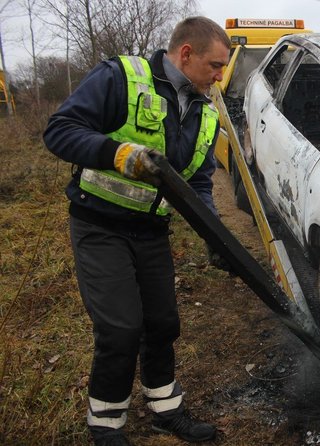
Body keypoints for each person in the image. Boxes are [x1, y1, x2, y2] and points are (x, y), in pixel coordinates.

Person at [43, 16, 231, 445]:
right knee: (121, 329)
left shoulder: (204, 112)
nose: (221, 76)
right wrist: (118, 153)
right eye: (215, 65)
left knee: (163, 322)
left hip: (151, 231)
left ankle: (166, 409)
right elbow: (59, 131)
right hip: (100, 226)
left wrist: (215, 237)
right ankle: (106, 424)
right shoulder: (120, 78)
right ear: (186, 54)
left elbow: (198, 183)